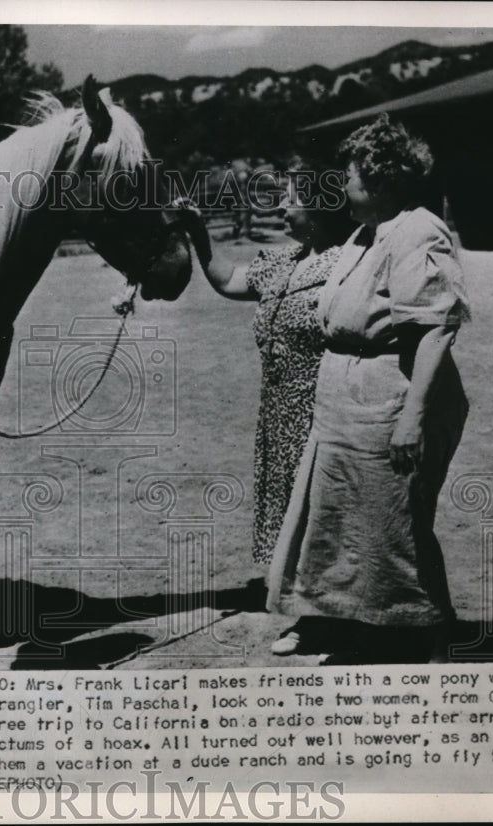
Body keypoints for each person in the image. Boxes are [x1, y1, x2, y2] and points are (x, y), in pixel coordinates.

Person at [266, 115, 470, 664]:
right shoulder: (366, 232)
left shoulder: (418, 231)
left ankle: (415, 631)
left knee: (390, 520)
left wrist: (413, 418)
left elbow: (434, 329)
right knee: (336, 517)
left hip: (390, 393)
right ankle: (343, 621)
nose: (343, 184)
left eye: (351, 174)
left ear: (379, 179)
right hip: (345, 398)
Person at [180, 159, 356, 655]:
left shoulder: (350, 264)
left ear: (323, 205)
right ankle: (312, 613)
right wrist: (197, 233)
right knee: (293, 517)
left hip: (324, 412)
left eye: (290, 198)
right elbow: (229, 279)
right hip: (280, 414)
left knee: (326, 516)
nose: (279, 205)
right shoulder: (285, 259)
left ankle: (330, 622)